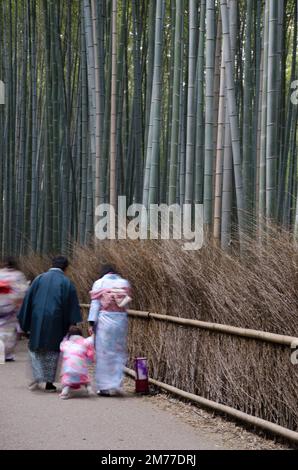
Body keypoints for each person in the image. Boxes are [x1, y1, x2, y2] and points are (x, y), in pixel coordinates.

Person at [18, 256, 82, 392]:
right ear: (65, 268)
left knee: (36, 348)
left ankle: (36, 377)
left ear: (51, 264)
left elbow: (28, 300)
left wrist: (25, 323)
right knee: (53, 351)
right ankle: (48, 383)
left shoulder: (39, 279)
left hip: (37, 318)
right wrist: (72, 322)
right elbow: (72, 305)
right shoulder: (67, 282)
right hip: (57, 321)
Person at [88, 264, 131, 397]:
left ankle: (104, 387)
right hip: (121, 320)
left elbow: (95, 304)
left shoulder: (99, 283)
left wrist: (91, 322)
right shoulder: (124, 282)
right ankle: (116, 383)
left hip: (105, 320)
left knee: (103, 353)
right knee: (118, 351)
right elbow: (126, 303)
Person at [0, 257, 28, 361]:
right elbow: (23, 291)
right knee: (10, 332)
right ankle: (7, 354)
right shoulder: (18, 275)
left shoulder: (0, 273)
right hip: (11, 306)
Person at [59, 325, 95, 400]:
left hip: (68, 369)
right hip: (80, 368)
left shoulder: (66, 343)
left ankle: (64, 392)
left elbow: (61, 347)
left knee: (67, 381)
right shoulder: (84, 342)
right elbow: (91, 340)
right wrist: (92, 333)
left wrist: (65, 338)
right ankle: (89, 389)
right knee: (85, 379)